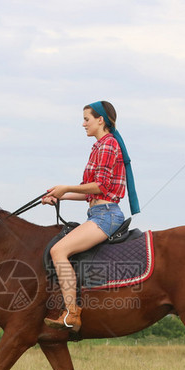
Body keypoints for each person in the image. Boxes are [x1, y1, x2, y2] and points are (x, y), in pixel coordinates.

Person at [42, 101, 139, 332]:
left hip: (106, 215)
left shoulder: (107, 145)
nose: (83, 123)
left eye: (87, 118)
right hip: (98, 211)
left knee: (58, 251)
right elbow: (90, 191)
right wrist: (60, 196)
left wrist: (66, 188)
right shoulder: (98, 147)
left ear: (100, 120)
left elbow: (100, 186)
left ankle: (72, 313)